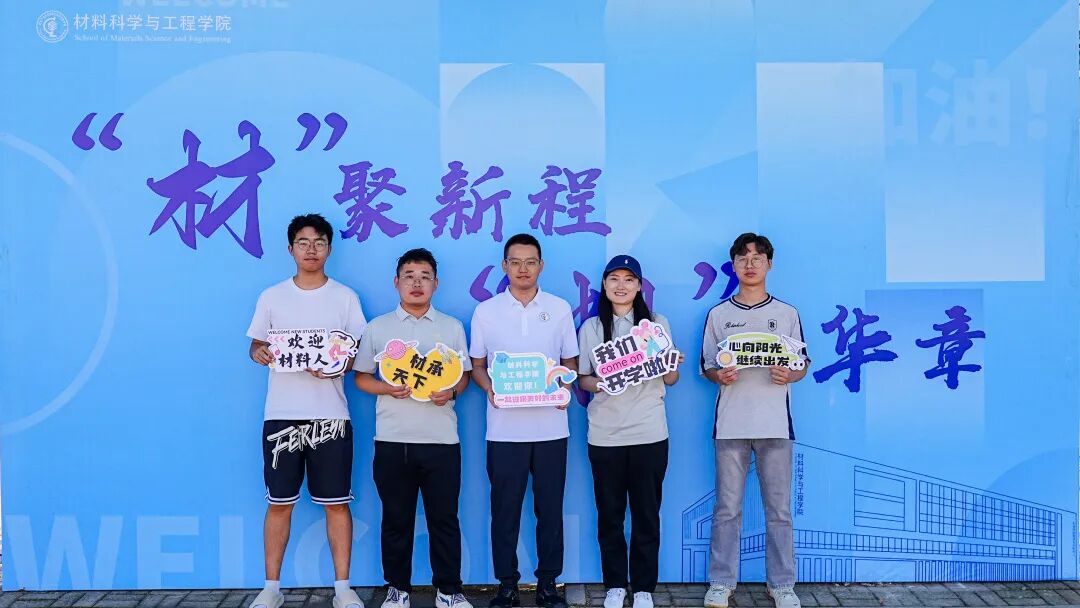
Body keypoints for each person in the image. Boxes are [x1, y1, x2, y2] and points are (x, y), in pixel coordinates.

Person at [246, 214, 367, 608]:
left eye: (319, 242)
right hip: (281, 414)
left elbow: (358, 353)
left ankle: (343, 588)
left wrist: (337, 365)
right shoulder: (272, 296)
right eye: (303, 242)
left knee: (337, 502)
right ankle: (271, 588)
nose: (311, 249)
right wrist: (260, 352)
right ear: (290, 249)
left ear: (329, 248)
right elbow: (256, 345)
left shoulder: (345, 297)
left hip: (331, 415)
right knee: (279, 503)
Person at [353, 248, 473, 608]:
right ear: (396, 282)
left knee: (444, 519)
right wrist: (387, 388)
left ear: (436, 283)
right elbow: (361, 378)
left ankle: (449, 591)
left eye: (424, 276)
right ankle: (397, 589)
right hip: (393, 441)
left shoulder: (451, 327)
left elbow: (464, 376)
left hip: (442, 441)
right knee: (396, 519)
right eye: (409, 276)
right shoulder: (378, 327)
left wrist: (452, 392)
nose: (416, 283)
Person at [699, 233, 810, 608]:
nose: (750, 264)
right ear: (733, 265)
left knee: (778, 511)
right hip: (731, 425)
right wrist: (719, 375)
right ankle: (721, 582)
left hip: (775, 425)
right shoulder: (719, 315)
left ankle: (782, 584)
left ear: (769, 265)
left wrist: (790, 374)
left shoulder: (787, 314)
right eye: (743, 258)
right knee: (727, 509)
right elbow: (707, 366)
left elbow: (801, 364)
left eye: (758, 258)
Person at [469, 233, 578, 608]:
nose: (523, 269)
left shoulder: (559, 308)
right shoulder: (486, 311)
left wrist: (563, 387)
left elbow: (570, 361)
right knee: (505, 510)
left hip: (551, 428)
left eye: (530, 262)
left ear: (541, 266)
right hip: (504, 429)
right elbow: (477, 365)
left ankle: (548, 583)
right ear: (504, 266)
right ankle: (507, 585)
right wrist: (489, 389)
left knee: (550, 508)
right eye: (515, 262)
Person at [576, 256, 682, 608]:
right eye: (614, 279)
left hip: (649, 432)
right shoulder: (591, 327)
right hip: (604, 435)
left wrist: (669, 363)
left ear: (639, 286)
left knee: (646, 514)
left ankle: (644, 587)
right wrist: (602, 382)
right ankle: (615, 585)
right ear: (604, 285)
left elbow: (672, 378)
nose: (621, 286)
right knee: (609, 514)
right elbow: (583, 379)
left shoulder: (656, 324)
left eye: (628, 279)